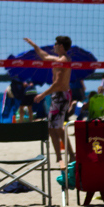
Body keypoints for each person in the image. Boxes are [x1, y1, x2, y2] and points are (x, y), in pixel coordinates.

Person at [24, 35, 75, 168]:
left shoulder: (62, 61)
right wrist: (33, 45)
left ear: (61, 46)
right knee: (52, 128)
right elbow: (45, 56)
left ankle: (70, 155)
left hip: (60, 96)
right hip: (59, 96)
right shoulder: (61, 59)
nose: (54, 46)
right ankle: (60, 157)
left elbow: (58, 83)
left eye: (56, 44)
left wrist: (43, 94)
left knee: (57, 128)